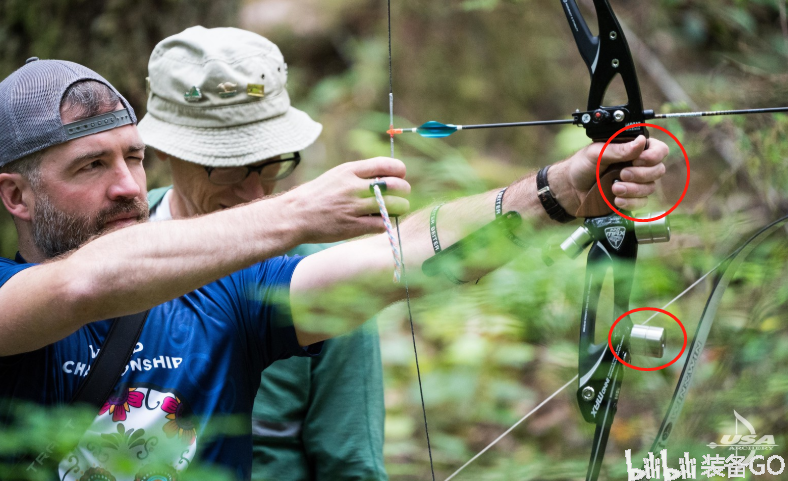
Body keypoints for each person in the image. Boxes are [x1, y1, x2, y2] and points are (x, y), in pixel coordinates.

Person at [0, 56, 668, 480]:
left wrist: (556, 191)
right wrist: (296, 214)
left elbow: (403, 259)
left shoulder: (226, 292)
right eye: (91, 165)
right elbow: (84, 285)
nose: (124, 185)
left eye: (133, 158)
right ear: (16, 196)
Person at [139, 27, 387, 480]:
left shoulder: (322, 272)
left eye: (272, 162)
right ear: (162, 149)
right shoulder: (112, 248)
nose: (255, 192)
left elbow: (351, 462)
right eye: (227, 167)